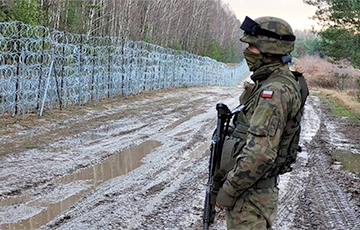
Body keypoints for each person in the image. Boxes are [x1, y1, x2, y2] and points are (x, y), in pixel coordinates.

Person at [214, 16, 309, 229]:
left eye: (252, 46)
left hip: (251, 196)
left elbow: (260, 154)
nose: (247, 51)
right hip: (252, 193)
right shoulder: (269, 83)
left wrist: (228, 191)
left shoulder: (274, 91)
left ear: (269, 49)